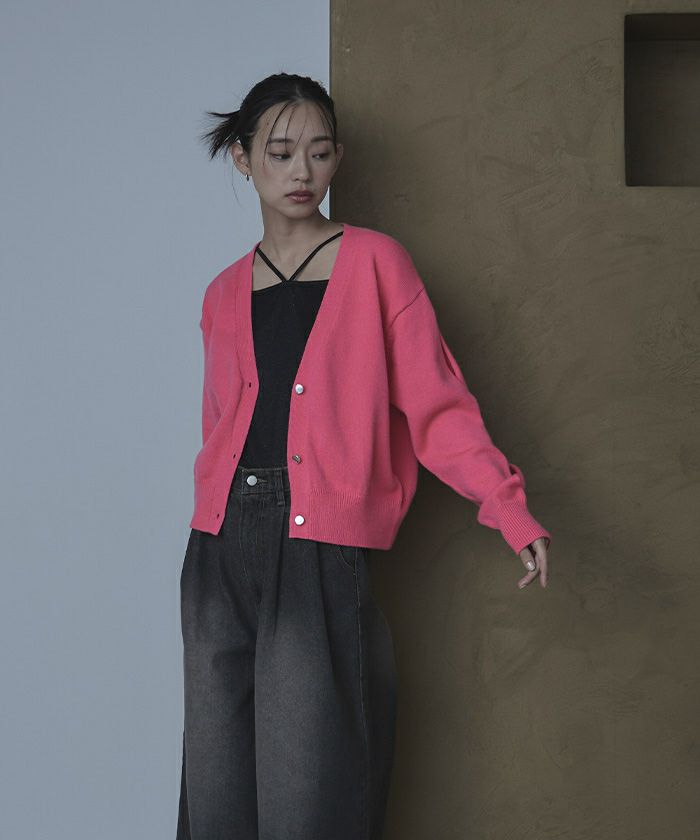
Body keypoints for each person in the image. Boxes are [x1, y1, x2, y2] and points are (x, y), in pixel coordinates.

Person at [176, 72, 552, 840]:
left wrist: (506, 507)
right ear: (244, 159)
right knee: (216, 793)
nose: (301, 171)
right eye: (281, 152)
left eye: (319, 153)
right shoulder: (221, 292)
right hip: (217, 549)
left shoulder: (377, 263)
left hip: (316, 545)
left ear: (338, 159)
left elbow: (438, 407)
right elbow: (220, 426)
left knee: (308, 789)